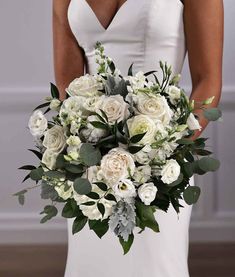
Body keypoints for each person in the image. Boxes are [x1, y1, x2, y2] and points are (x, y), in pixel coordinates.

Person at [53, 1, 224, 276]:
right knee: (90, 263)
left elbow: (208, 81)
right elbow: (67, 86)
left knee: (157, 263)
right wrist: (83, 150)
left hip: (162, 162)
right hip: (92, 166)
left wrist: (166, 147)